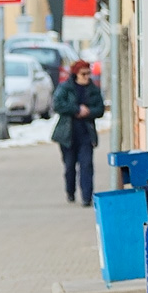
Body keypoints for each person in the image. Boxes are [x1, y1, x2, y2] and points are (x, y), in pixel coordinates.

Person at [52, 59, 105, 208]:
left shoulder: (93, 89)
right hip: (68, 135)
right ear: (76, 74)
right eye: (84, 74)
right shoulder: (66, 88)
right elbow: (57, 104)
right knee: (69, 166)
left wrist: (88, 112)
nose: (87, 76)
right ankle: (70, 191)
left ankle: (87, 197)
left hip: (86, 134)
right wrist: (76, 110)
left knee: (86, 165)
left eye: (89, 73)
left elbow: (100, 108)